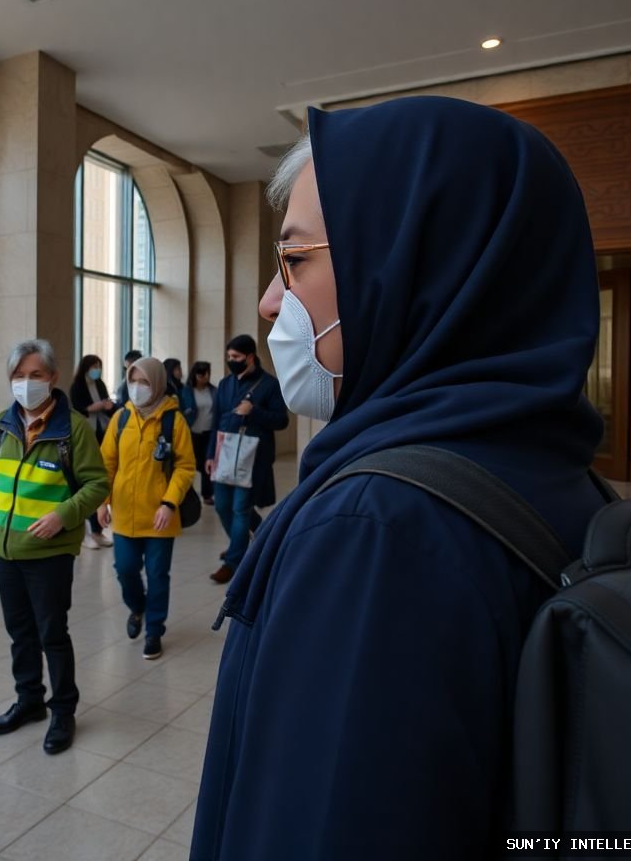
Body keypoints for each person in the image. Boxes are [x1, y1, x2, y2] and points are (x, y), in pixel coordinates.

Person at [190, 99, 609, 859]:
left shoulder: (377, 526)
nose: (270, 302)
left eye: (295, 259)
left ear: (418, 265)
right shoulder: (562, 476)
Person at [0, 339, 110, 755]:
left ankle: (62, 710)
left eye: (35, 375)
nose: (26, 383)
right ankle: (28, 700)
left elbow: (97, 484)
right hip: (5, 549)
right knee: (20, 633)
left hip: (49, 553)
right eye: (18, 376)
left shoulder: (72, 428)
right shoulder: (4, 423)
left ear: (52, 377)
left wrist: (63, 515)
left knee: (52, 633)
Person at [97, 357, 195, 660]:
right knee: (125, 570)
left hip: (159, 517)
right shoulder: (120, 418)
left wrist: (169, 503)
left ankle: (154, 631)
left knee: (157, 575)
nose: (137, 387)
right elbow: (106, 464)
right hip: (124, 514)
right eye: (133, 381)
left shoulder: (173, 421)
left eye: (144, 382)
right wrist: (102, 502)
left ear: (158, 384)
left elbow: (185, 467)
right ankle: (137, 607)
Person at [205, 335, 288, 584]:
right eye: (229, 357)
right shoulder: (225, 384)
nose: (231, 361)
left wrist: (254, 412)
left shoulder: (269, 385)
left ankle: (234, 561)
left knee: (240, 507)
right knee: (222, 505)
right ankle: (248, 542)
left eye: (236, 357)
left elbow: (281, 420)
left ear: (250, 357)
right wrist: (210, 454)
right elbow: (216, 422)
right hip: (224, 453)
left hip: (253, 457)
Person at [68, 353, 115, 550]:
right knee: (84, 484)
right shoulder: (77, 386)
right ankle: (85, 532)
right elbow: (79, 409)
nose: (97, 370)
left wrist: (107, 406)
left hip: (101, 431)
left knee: (98, 481)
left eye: (99, 366)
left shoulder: (100, 384)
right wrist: (93, 407)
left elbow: (108, 405)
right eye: (94, 366)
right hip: (86, 432)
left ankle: (97, 531)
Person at [180, 361, 216, 505]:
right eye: (202, 374)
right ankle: (187, 494)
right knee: (192, 463)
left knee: (208, 463)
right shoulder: (187, 391)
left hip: (209, 432)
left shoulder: (213, 390)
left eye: (207, 374)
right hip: (193, 432)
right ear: (195, 375)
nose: (205, 377)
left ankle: (207, 494)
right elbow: (182, 410)